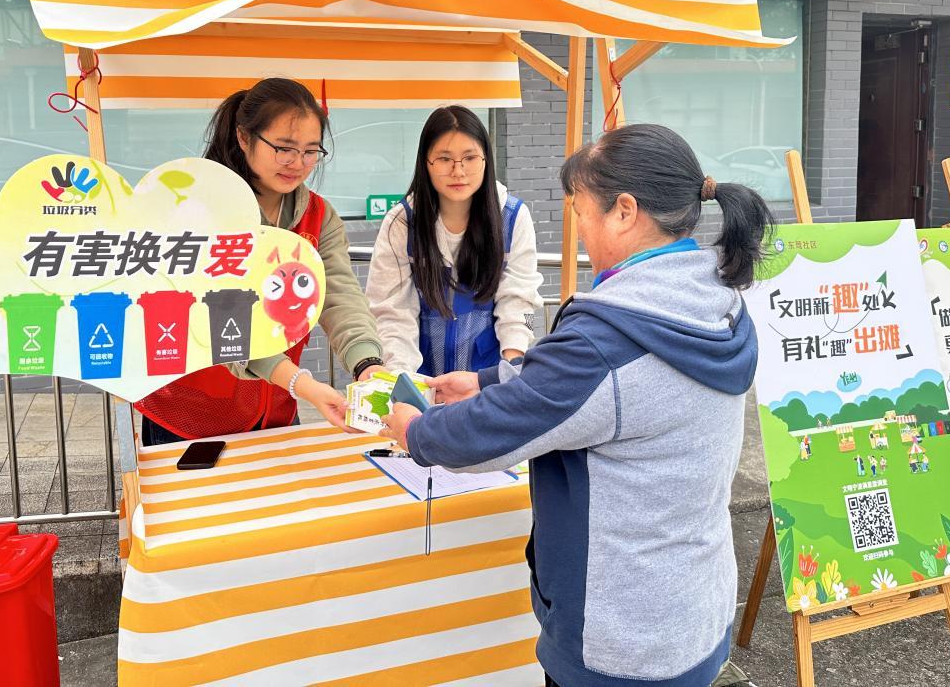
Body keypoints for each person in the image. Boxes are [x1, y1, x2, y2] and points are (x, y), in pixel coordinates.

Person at [381, 124, 773, 687]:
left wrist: (416, 430)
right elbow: (591, 390)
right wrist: (490, 379)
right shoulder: (714, 300)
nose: (580, 229)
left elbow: (490, 433)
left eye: (581, 211)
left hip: (618, 639)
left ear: (624, 212)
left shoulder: (605, 339)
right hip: (693, 612)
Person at [136, 78, 387, 445]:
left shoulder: (318, 216)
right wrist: (301, 383)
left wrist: (368, 364)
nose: (297, 163)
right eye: (284, 148)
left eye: (310, 151)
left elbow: (341, 296)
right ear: (244, 137)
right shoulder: (200, 209)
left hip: (277, 408)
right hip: (190, 413)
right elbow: (221, 323)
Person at [366, 105, 543, 376]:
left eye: (469, 158)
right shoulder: (402, 222)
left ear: (486, 160)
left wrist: (512, 366)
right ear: (426, 163)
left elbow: (520, 301)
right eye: (444, 158)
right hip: (420, 376)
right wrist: (404, 381)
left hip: (487, 378)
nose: (458, 171)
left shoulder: (512, 217)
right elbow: (392, 313)